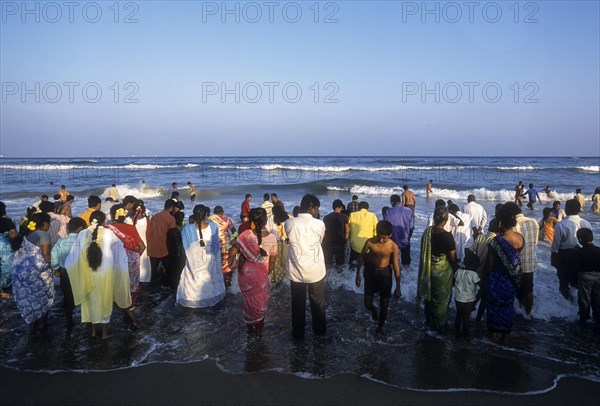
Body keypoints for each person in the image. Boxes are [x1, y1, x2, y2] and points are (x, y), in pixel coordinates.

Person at [65, 211, 131, 339]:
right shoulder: (109, 233)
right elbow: (119, 252)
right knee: (105, 299)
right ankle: (105, 333)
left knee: (91, 299)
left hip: (87, 272)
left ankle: (94, 331)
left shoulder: (83, 233)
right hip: (105, 272)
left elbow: (74, 256)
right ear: (104, 221)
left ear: (90, 221)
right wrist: (121, 268)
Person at [229, 208, 277, 336]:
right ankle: (259, 333)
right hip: (261, 275)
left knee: (248, 301)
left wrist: (237, 264)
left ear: (252, 222)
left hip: (245, 275)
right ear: (266, 220)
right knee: (259, 304)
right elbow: (272, 261)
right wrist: (265, 274)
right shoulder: (272, 238)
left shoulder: (245, 235)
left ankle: (249, 329)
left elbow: (232, 252)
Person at [285, 194, 327, 339]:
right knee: (318, 303)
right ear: (311, 208)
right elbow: (319, 241)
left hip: (296, 271)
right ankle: (319, 332)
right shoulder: (319, 224)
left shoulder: (289, 223)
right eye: (316, 209)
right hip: (315, 271)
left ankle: (298, 333)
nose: (317, 212)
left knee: (297, 304)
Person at [483, 206, 523, 342]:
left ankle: (493, 335)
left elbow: (489, 264)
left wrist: (484, 279)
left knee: (494, 306)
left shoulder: (496, 242)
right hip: (512, 279)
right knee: (508, 306)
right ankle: (506, 334)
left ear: (500, 223)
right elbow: (517, 258)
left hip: (497, 278)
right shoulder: (520, 238)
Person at [10, 212, 55, 332]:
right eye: (49, 224)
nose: (49, 226)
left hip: (21, 272)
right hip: (36, 273)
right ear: (44, 224)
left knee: (31, 298)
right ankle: (42, 326)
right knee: (44, 297)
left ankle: (32, 323)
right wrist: (55, 266)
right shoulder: (44, 234)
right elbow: (46, 254)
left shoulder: (26, 234)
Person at [416, 206, 458, 333]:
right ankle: (439, 326)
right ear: (445, 219)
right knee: (441, 301)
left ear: (434, 217)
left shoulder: (427, 232)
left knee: (429, 297)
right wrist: (456, 273)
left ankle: (428, 321)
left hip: (428, 272)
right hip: (441, 274)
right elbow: (452, 259)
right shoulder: (447, 237)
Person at [355, 220, 401, 332]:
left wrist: (398, 287)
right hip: (370, 272)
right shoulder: (370, 242)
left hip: (385, 274)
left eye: (384, 238)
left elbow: (396, 266)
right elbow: (361, 257)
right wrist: (358, 274)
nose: (381, 240)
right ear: (376, 232)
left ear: (390, 235)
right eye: (379, 237)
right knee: (367, 303)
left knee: (384, 304)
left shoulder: (393, 246)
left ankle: (379, 328)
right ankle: (373, 310)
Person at [176, 205, 225, 308]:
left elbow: (185, 249)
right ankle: (210, 300)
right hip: (209, 264)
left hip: (194, 263)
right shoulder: (213, 226)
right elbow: (216, 248)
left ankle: (193, 301)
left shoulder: (187, 229)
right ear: (206, 214)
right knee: (209, 282)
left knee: (193, 282)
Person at [107, 204, 145, 328]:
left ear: (112, 215)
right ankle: (130, 306)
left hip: (115, 261)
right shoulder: (131, 228)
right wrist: (133, 257)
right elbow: (142, 246)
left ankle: (122, 308)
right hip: (132, 261)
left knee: (116, 286)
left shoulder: (108, 228)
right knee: (132, 285)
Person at [50, 217, 87, 334]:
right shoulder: (85, 241)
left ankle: (69, 321)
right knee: (86, 294)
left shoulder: (61, 241)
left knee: (68, 297)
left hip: (65, 272)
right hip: (82, 271)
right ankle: (88, 319)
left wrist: (56, 268)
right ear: (80, 228)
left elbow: (54, 255)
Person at [551, 199, 592, 301]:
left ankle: (566, 304)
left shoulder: (561, 224)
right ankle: (580, 306)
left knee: (564, 281)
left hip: (565, 255)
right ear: (579, 209)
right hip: (583, 255)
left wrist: (554, 258)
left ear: (566, 209)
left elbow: (556, 246)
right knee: (579, 281)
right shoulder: (587, 223)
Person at [506, 202, 539, 319]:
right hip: (530, 262)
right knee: (529, 290)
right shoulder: (534, 222)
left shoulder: (513, 225)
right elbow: (535, 242)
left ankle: (515, 311)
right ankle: (528, 314)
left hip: (516, 263)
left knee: (514, 289)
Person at [147, 199, 177, 285]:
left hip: (152, 246)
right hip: (164, 248)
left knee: (153, 270)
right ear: (172, 208)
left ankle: (151, 287)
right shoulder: (171, 219)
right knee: (169, 271)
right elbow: (172, 236)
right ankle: (168, 287)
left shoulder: (155, 216)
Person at [575, 228, 600, 329]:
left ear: (580, 239)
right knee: (597, 298)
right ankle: (597, 318)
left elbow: (576, 266)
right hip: (599, 276)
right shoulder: (598, 250)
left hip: (585, 276)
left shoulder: (579, 251)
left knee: (584, 299)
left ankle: (584, 319)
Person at [454, 248, 481, 336]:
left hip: (458, 298)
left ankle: (456, 332)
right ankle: (465, 333)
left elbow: (454, 281)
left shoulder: (458, 271)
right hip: (468, 301)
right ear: (475, 265)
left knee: (458, 315)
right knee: (466, 318)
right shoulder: (474, 274)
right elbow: (480, 284)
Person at [209, 206, 237, 287]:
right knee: (228, 263)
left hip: (214, 245)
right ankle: (228, 282)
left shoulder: (210, 219)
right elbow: (234, 232)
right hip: (227, 245)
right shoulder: (227, 219)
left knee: (217, 264)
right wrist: (233, 240)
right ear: (222, 212)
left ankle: (218, 284)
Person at [384, 194, 414, 266]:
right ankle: (407, 276)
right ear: (400, 201)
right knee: (406, 263)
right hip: (405, 239)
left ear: (391, 202)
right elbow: (411, 227)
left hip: (392, 241)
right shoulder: (409, 211)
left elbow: (385, 227)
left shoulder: (387, 212)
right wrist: (408, 238)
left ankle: (394, 275)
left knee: (392, 263)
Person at [322, 199, 349, 274]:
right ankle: (339, 277)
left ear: (332, 207)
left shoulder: (326, 217)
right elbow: (347, 230)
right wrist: (346, 240)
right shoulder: (345, 217)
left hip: (329, 242)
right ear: (341, 207)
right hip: (340, 242)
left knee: (328, 261)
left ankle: (328, 277)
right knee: (339, 263)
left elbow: (324, 231)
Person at [128, 200, 152, 283]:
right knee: (144, 263)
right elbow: (149, 234)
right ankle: (144, 280)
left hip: (135, 245)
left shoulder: (131, 220)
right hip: (144, 244)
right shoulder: (147, 220)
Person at [349, 201, 378, 267]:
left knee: (352, 265)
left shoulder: (352, 214)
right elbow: (376, 232)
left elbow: (349, 228)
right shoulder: (372, 215)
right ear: (368, 209)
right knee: (366, 266)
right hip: (367, 246)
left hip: (354, 245)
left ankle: (350, 276)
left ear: (358, 208)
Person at [0, 202, 17, 297]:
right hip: (4, 247)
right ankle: (4, 288)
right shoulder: (7, 221)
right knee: (7, 268)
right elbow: (13, 234)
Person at [271, 205, 291, 284]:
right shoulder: (287, 216)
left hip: (274, 242)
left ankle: (275, 278)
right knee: (283, 260)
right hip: (285, 241)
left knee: (275, 261)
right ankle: (283, 278)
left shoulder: (271, 219)